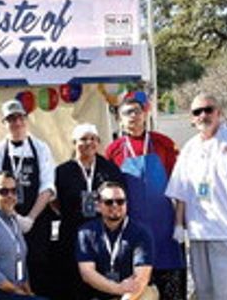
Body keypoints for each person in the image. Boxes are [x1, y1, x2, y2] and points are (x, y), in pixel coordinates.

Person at [165, 93, 227, 300]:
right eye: (197, 112)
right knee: (204, 294)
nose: (203, 115)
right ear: (192, 118)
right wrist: (178, 226)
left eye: (208, 109)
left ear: (219, 113)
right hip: (199, 234)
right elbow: (180, 190)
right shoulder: (190, 148)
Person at [105, 95, 186, 299]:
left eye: (136, 111)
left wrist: (178, 224)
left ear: (145, 114)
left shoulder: (164, 144)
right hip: (133, 234)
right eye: (127, 113)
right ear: (119, 119)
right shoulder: (113, 151)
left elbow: (181, 187)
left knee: (172, 291)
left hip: (165, 231)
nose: (133, 116)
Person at [0, 100, 57, 299]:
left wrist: (31, 218)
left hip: (37, 221)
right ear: (4, 123)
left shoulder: (41, 148)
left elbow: (47, 186)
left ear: (26, 120)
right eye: (11, 119)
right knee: (10, 269)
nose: (16, 123)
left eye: (19, 118)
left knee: (39, 267)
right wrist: (15, 217)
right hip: (6, 222)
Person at [55, 123, 124, 300]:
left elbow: (120, 199)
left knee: (102, 283)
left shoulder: (109, 169)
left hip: (103, 235)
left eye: (93, 139)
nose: (89, 143)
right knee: (74, 283)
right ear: (74, 143)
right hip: (72, 234)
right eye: (83, 139)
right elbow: (53, 201)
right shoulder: (62, 171)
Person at [0, 171, 49, 300]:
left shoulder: (13, 220)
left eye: (14, 191)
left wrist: (28, 292)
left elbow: (20, 261)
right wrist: (16, 290)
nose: (10, 196)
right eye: (4, 191)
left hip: (11, 292)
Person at [76, 181, 158, 300]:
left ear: (126, 204)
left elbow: (141, 279)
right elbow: (87, 274)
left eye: (120, 201)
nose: (115, 205)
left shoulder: (141, 232)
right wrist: (118, 288)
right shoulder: (85, 232)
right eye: (109, 202)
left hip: (136, 293)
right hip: (101, 293)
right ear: (98, 206)